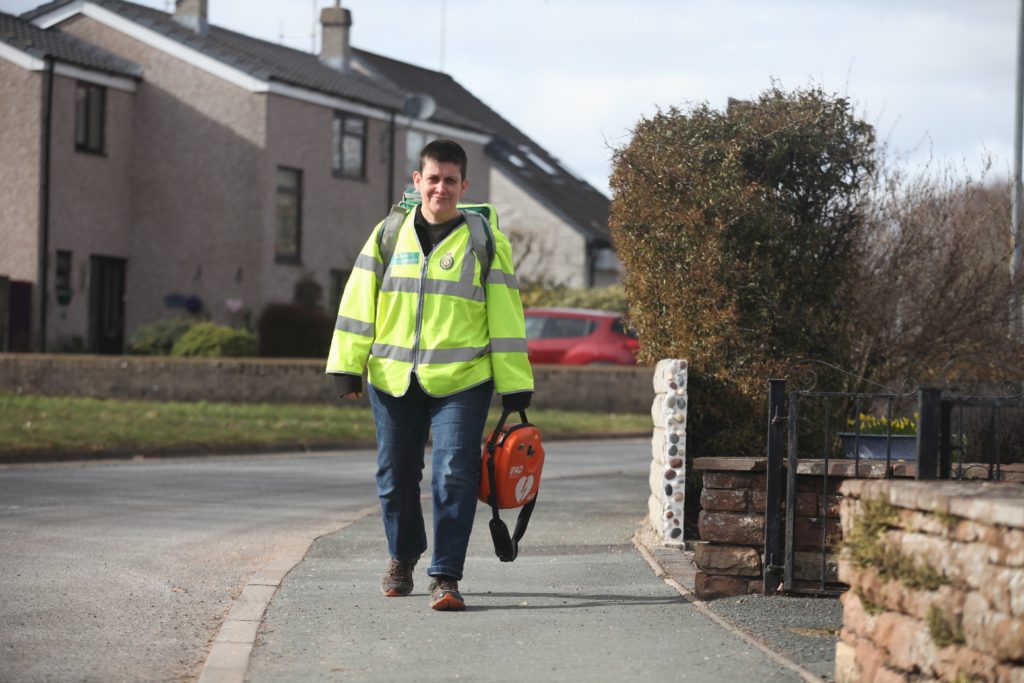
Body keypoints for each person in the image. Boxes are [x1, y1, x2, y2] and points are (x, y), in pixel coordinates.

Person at [326, 139, 533, 611]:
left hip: (463, 379)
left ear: (465, 185)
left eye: (450, 180)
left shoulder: (484, 241)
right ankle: (402, 556)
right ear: (417, 181)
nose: (441, 188)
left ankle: (445, 576)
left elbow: (506, 318)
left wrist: (515, 383)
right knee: (395, 475)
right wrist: (345, 367)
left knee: (454, 474)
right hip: (393, 378)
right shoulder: (388, 232)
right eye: (433, 178)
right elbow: (358, 302)